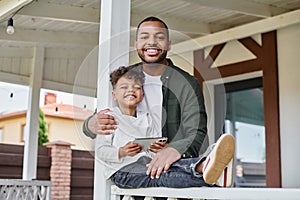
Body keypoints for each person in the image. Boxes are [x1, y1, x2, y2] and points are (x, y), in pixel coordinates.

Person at [83, 16, 234, 186]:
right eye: (144, 37)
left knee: (169, 172)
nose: (152, 42)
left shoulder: (187, 83)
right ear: (136, 44)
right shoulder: (124, 78)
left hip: (169, 166)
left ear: (169, 44)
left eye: (159, 37)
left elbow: (196, 131)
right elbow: (97, 122)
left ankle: (208, 167)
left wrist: (174, 148)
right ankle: (206, 170)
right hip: (128, 169)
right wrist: (90, 124)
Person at [98, 65, 235, 189]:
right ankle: (207, 173)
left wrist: (157, 148)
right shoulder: (108, 118)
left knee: (168, 166)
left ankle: (205, 165)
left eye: (137, 87)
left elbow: (152, 149)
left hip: (146, 164)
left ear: (142, 95)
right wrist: (121, 152)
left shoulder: (146, 118)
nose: (131, 90)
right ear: (114, 95)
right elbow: (100, 150)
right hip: (122, 171)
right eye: (124, 87)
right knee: (159, 177)